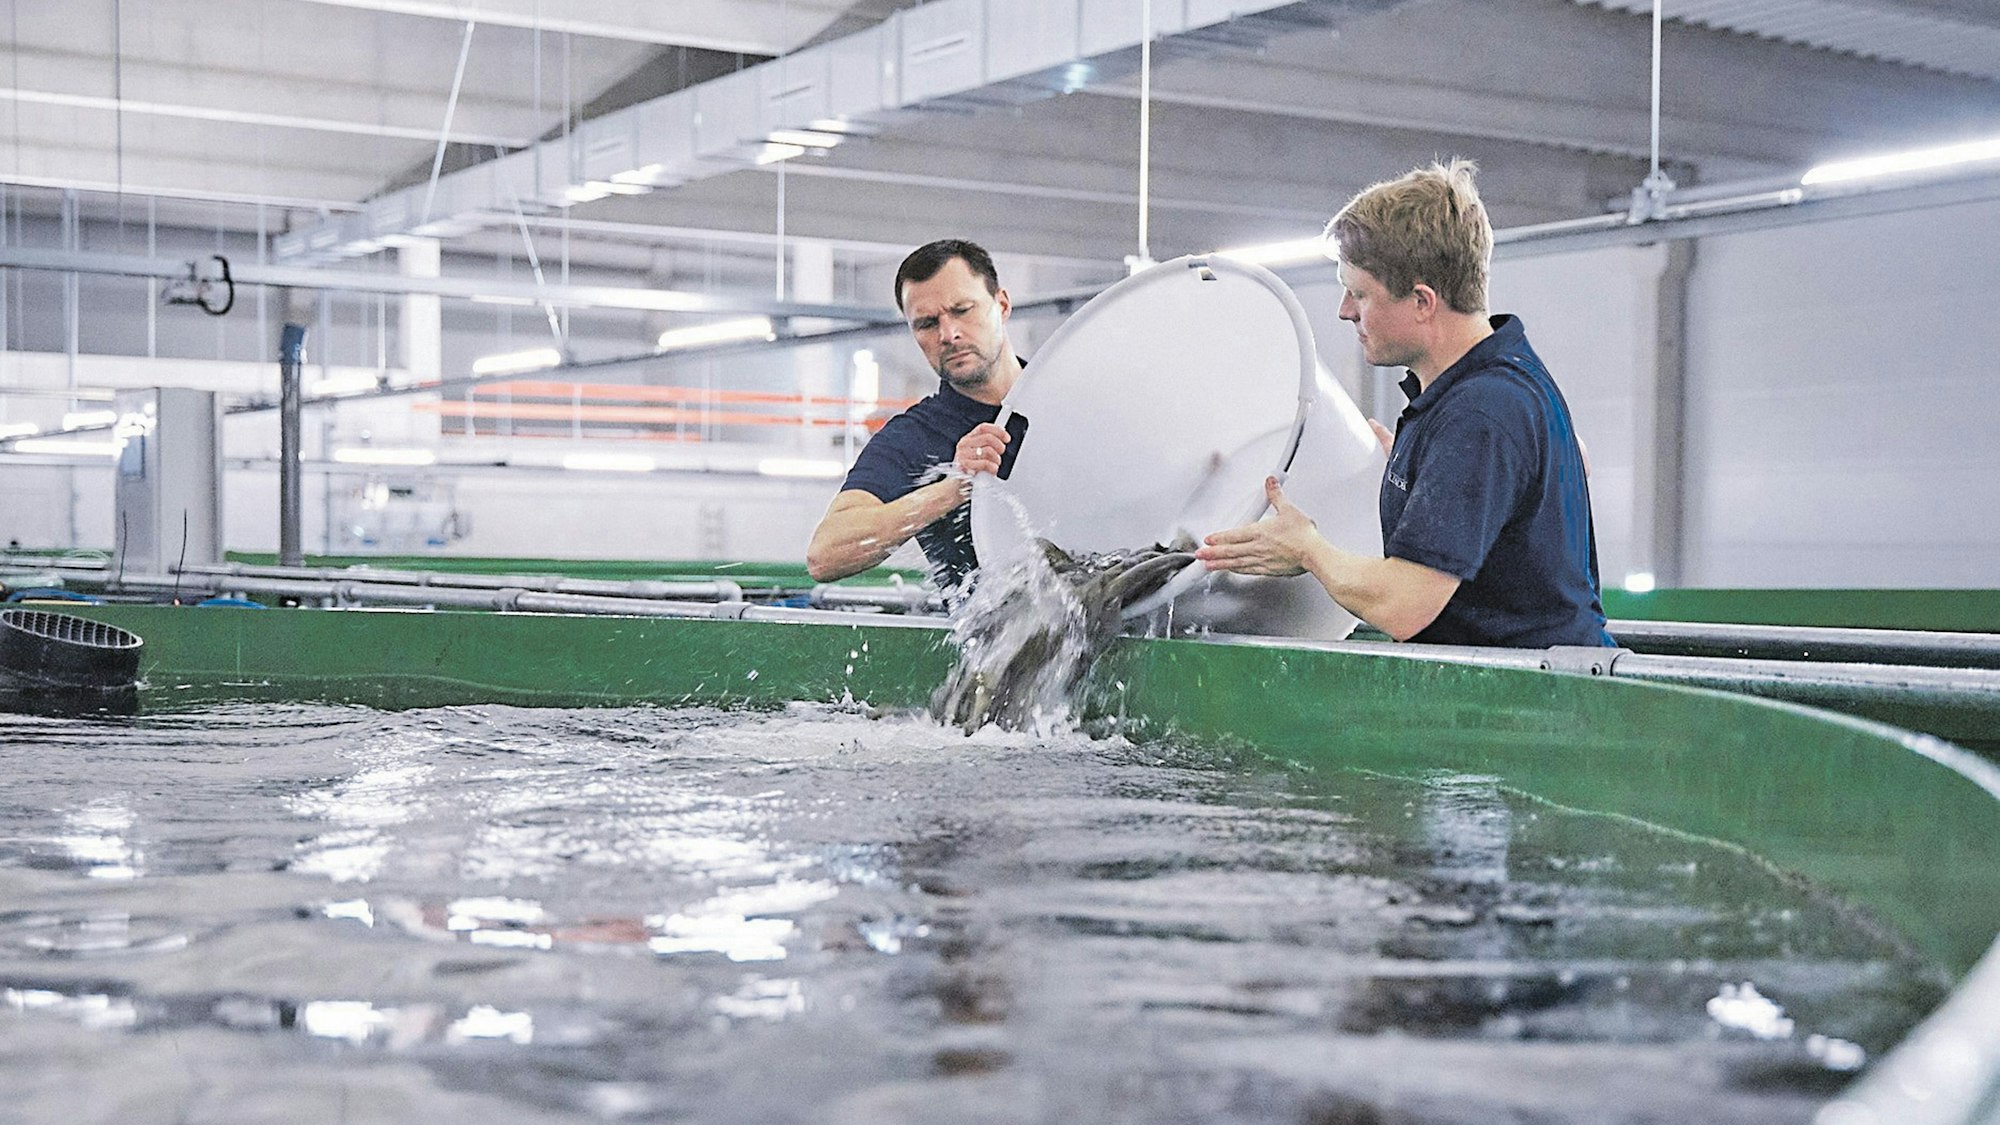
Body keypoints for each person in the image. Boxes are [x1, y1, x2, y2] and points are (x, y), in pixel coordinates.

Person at [1196, 159, 1613, 649]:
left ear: (1422, 301)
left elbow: (1403, 607)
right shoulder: (1485, 386)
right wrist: (1428, 477)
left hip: (1538, 706)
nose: (1344, 311)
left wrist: (1308, 550)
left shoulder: (1481, 414)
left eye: (1360, 294)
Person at [806, 239, 1027, 591]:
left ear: (1001, 305)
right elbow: (826, 554)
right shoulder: (914, 440)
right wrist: (954, 488)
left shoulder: (1064, 397)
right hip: (1000, 642)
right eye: (926, 323)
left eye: (962, 310)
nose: (948, 334)